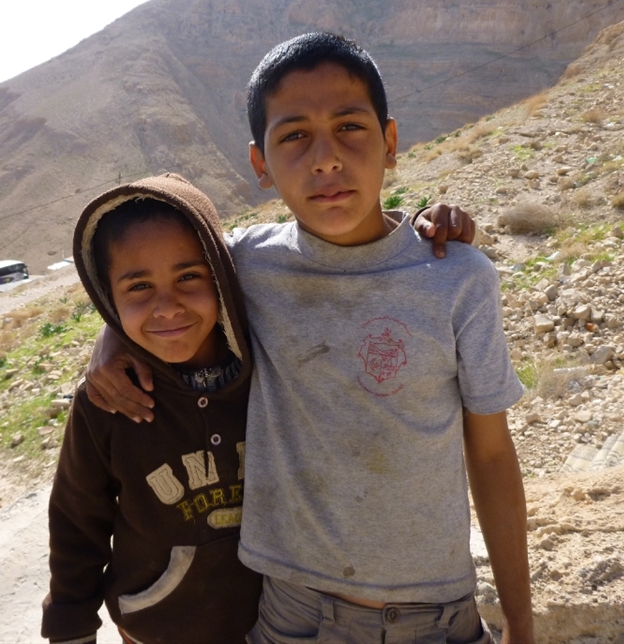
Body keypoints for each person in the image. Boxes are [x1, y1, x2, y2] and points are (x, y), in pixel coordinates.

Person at [86, 32, 534, 643]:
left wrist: (521, 621)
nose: (325, 158)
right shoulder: (245, 268)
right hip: (291, 615)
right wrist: (110, 339)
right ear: (260, 165)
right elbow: (158, 286)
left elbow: (489, 454)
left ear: (391, 142)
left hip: (436, 618)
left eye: (350, 126)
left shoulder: (458, 279)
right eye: (294, 136)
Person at [41, 173, 263, 644]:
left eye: (188, 277)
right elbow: (77, 518)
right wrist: (69, 624)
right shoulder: (108, 399)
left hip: (277, 624)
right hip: (156, 629)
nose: (167, 306)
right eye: (139, 286)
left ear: (220, 274)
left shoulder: (270, 369)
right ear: (107, 294)